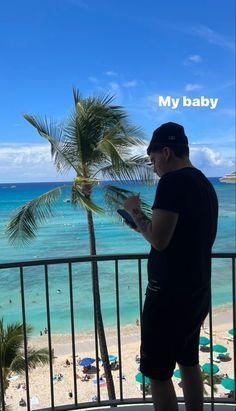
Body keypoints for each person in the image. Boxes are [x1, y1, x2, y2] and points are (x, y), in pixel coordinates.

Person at [123, 122, 218, 411]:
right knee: (188, 362)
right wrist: (143, 225)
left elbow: (160, 240)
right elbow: (179, 235)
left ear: (165, 152)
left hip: (168, 295)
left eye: (152, 160)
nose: (153, 167)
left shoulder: (172, 182)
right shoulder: (204, 183)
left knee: (157, 373)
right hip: (197, 290)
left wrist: (135, 212)